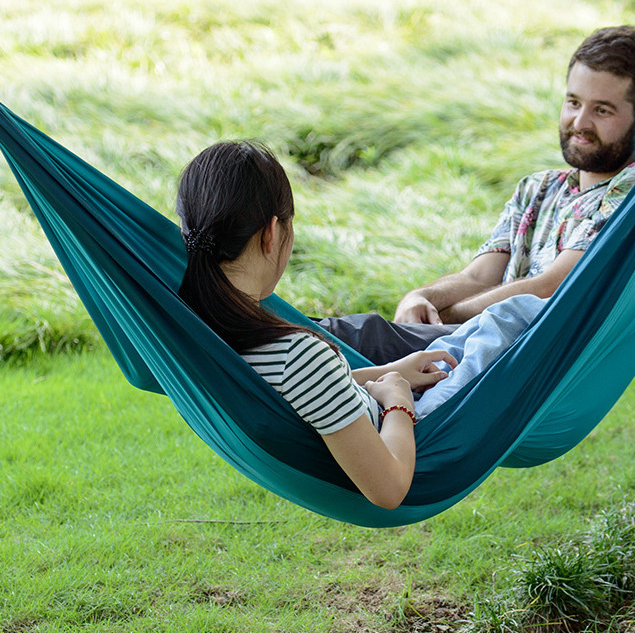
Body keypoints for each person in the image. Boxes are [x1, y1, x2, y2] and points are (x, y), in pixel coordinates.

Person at [176, 141, 545, 510]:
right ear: (272, 233)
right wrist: (397, 400)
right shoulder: (296, 355)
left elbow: (300, 398)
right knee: (514, 316)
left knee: (477, 333)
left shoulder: (198, 333)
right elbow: (389, 488)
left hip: (378, 404)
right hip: (415, 428)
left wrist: (386, 373)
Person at [318, 25, 635, 360]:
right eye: (574, 103)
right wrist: (421, 296)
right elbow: (479, 277)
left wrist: (448, 313)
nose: (579, 123)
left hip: (514, 354)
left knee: (347, 338)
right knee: (326, 345)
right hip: (470, 344)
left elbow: (553, 284)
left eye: (602, 110)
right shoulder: (538, 188)